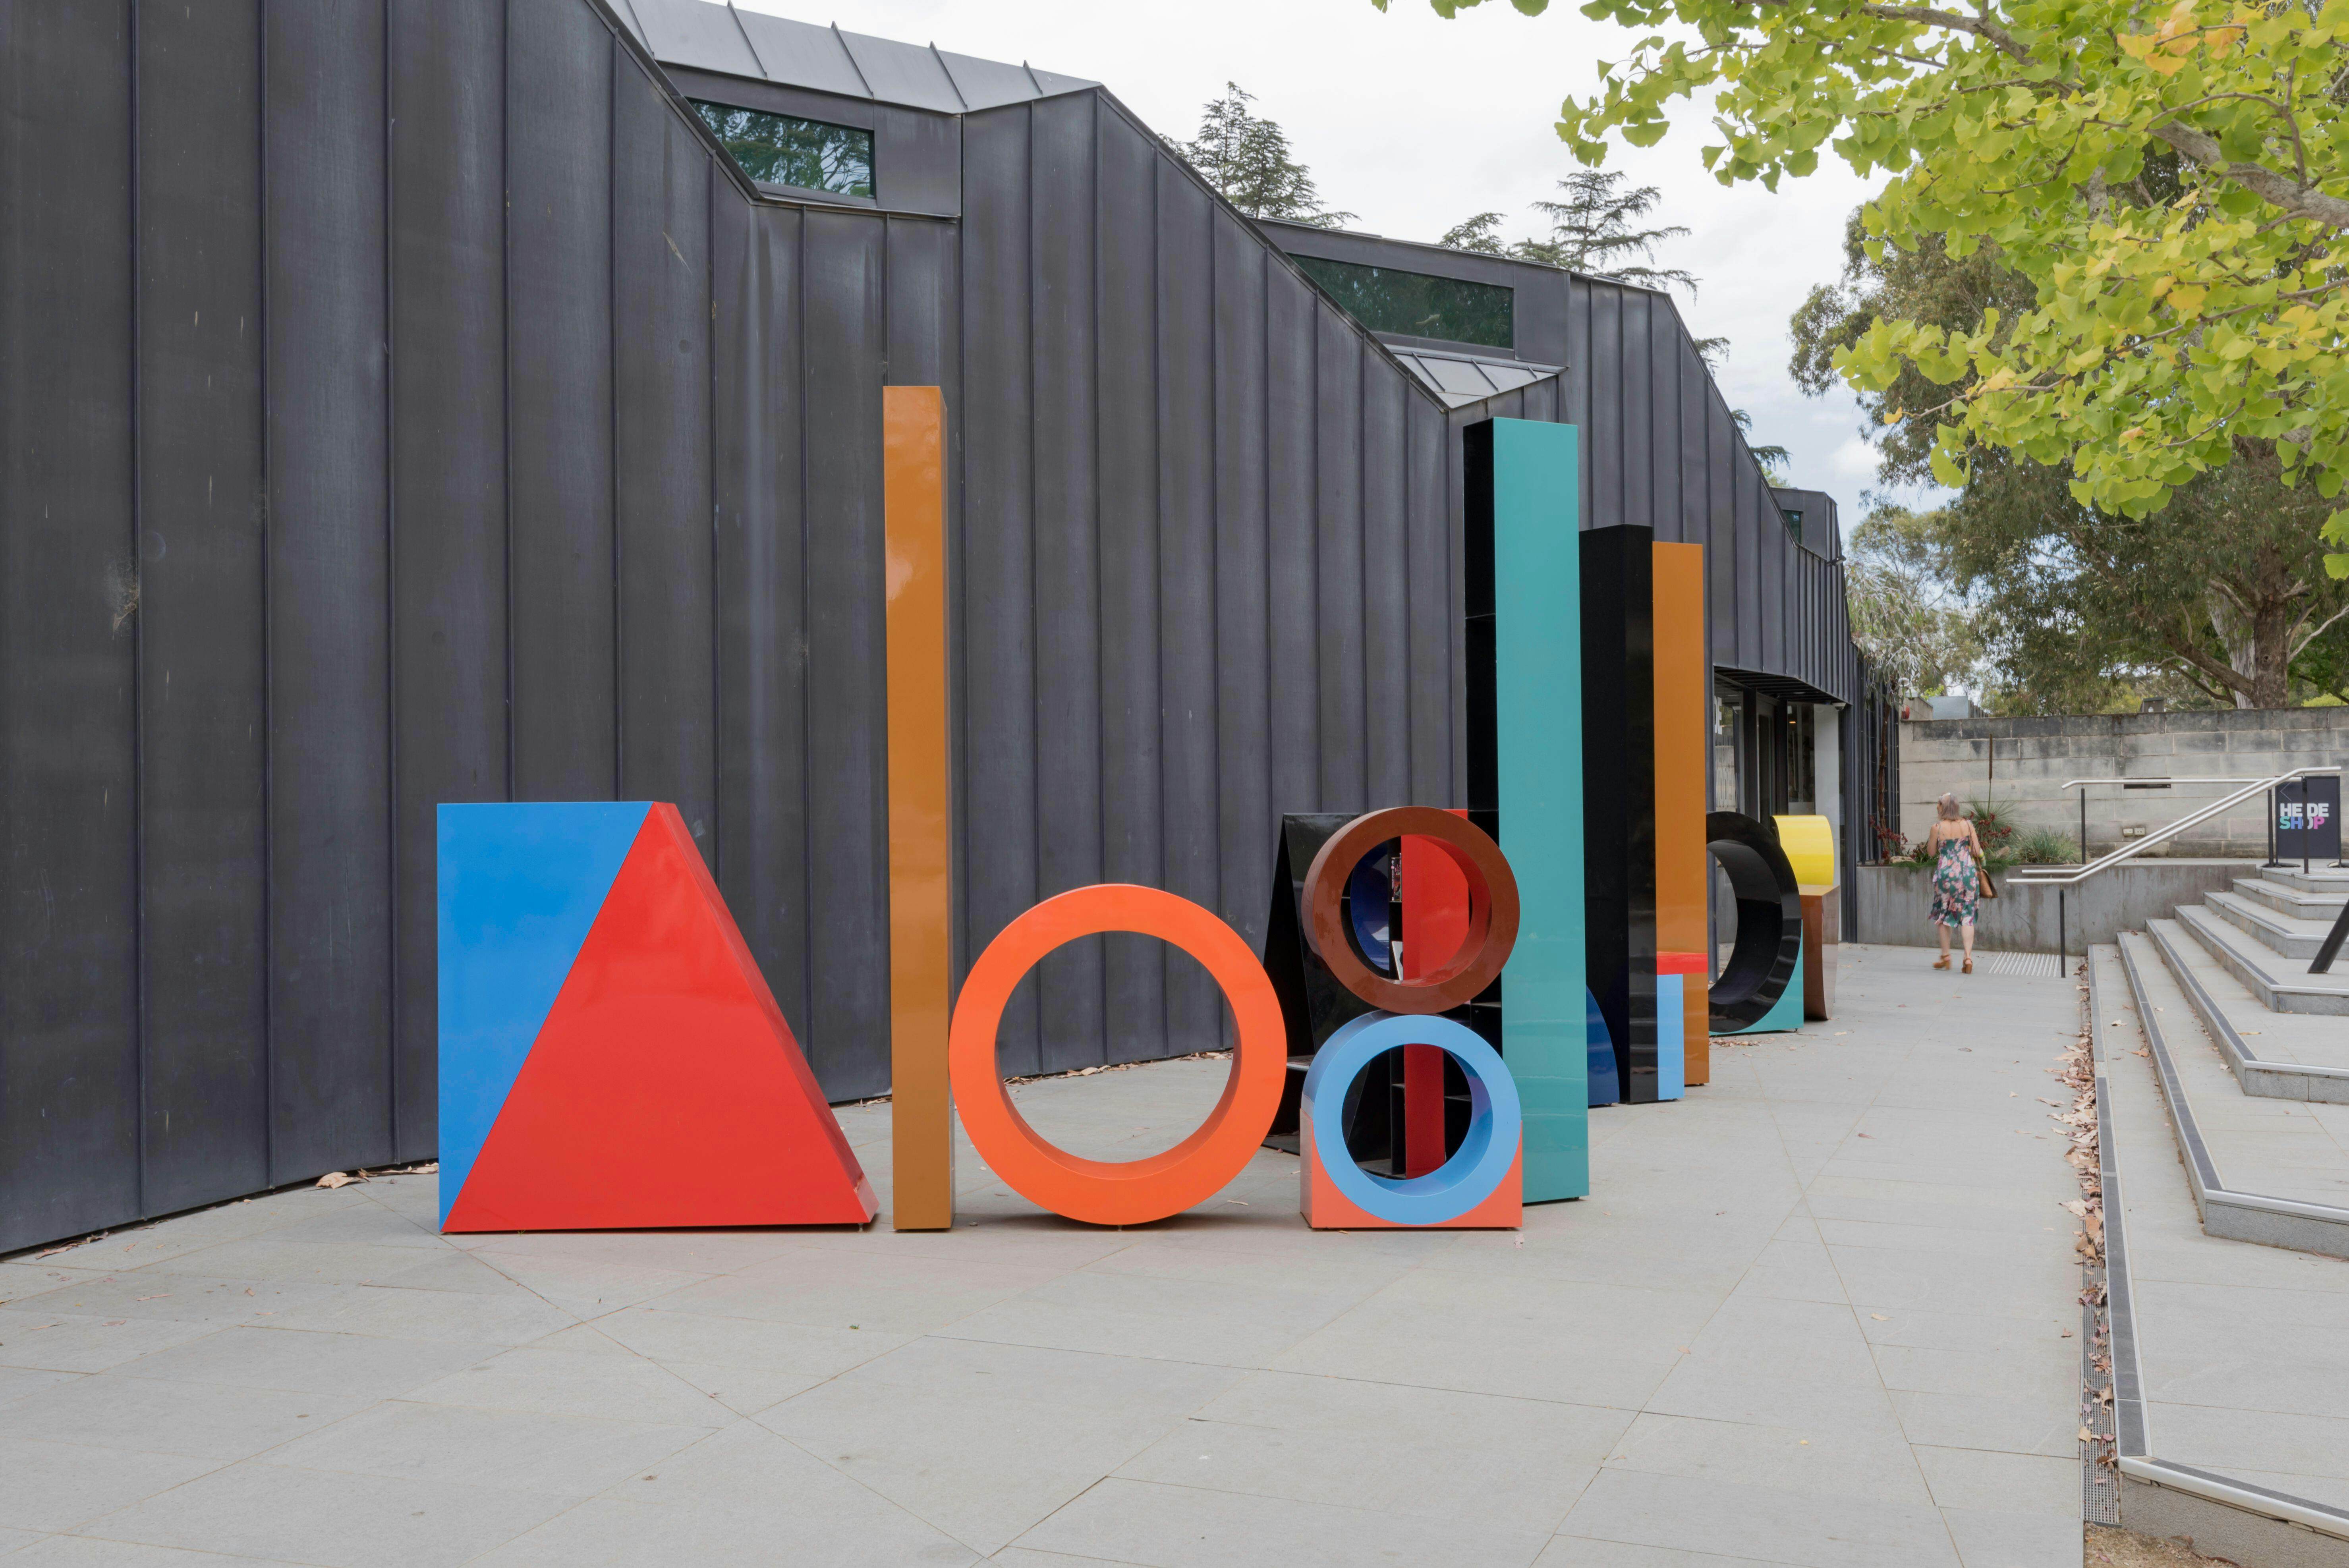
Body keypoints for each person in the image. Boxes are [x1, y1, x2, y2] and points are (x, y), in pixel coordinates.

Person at [1925, 794, 1982, 973]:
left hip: (1946, 876)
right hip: (1967, 874)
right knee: (1967, 916)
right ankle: (1968, 959)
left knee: (1944, 914)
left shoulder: (1937, 827)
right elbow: (1977, 850)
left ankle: (1946, 957)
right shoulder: (1968, 825)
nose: (1937, 807)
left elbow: (1931, 853)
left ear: (1943, 807)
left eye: (1938, 804)